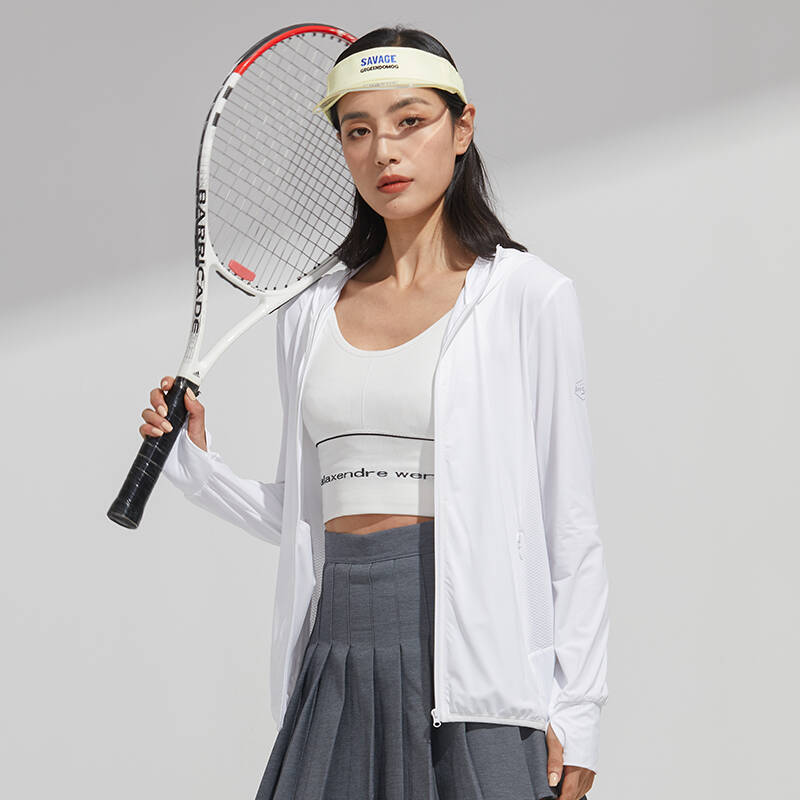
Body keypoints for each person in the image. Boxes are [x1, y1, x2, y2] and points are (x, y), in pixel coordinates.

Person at [143, 25, 609, 800]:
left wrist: (578, 707)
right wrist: (196, 466)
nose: (383, 151)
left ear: (461, 128)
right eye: (357, 131)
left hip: (477, 673)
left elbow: (569, 520)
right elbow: (308, 513)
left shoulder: (527, 297)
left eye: (410, 121)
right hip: (336, 654)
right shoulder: (307, 312)